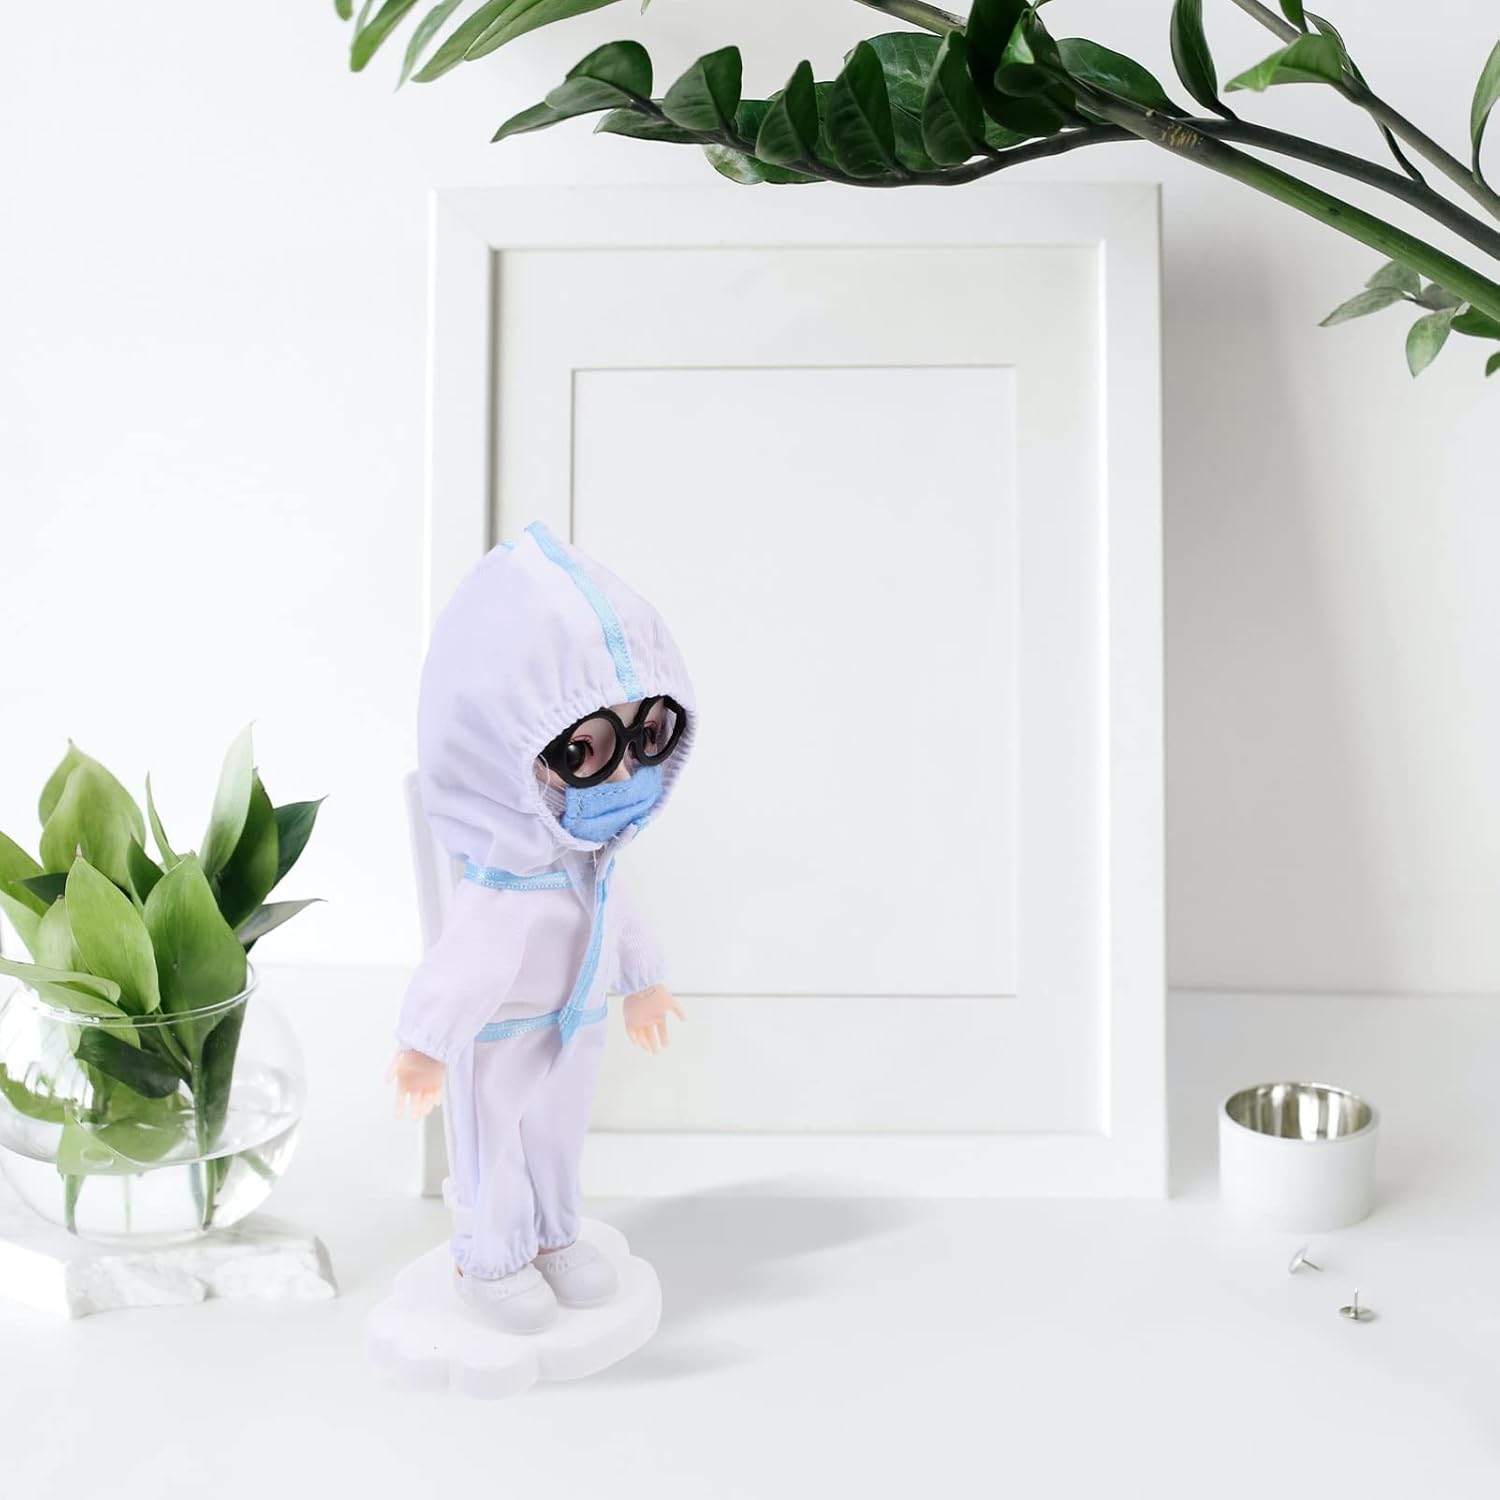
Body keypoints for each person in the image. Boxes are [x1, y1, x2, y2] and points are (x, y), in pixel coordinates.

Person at [386, 521, 695, 1333]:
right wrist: (426, 1046)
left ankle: (555, 1234)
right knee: (493, 1146)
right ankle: (490, 1256)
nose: (625, 773)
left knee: (557, 1136)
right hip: (498, 1035)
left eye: (648, 737)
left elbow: (617, 917)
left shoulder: (594, 861)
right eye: (585, 751)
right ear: (501, 755)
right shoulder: (505, 885)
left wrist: (643, 984)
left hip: (577, 1022)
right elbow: (466, 962)